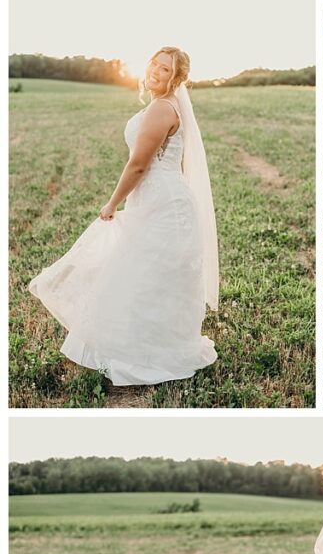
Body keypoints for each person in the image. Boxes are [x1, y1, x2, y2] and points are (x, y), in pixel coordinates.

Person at [29, 46, 218, 385]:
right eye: (154, 65)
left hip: (164, 203)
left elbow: (139, 164)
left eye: (165, 69)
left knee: (150, 272)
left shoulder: (162, 108)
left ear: (177, 78)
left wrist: (112, 203)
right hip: (160, 200)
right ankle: (148, 344)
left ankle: (156, 350)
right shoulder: (164, 106)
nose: (156, 72)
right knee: (149, 272)